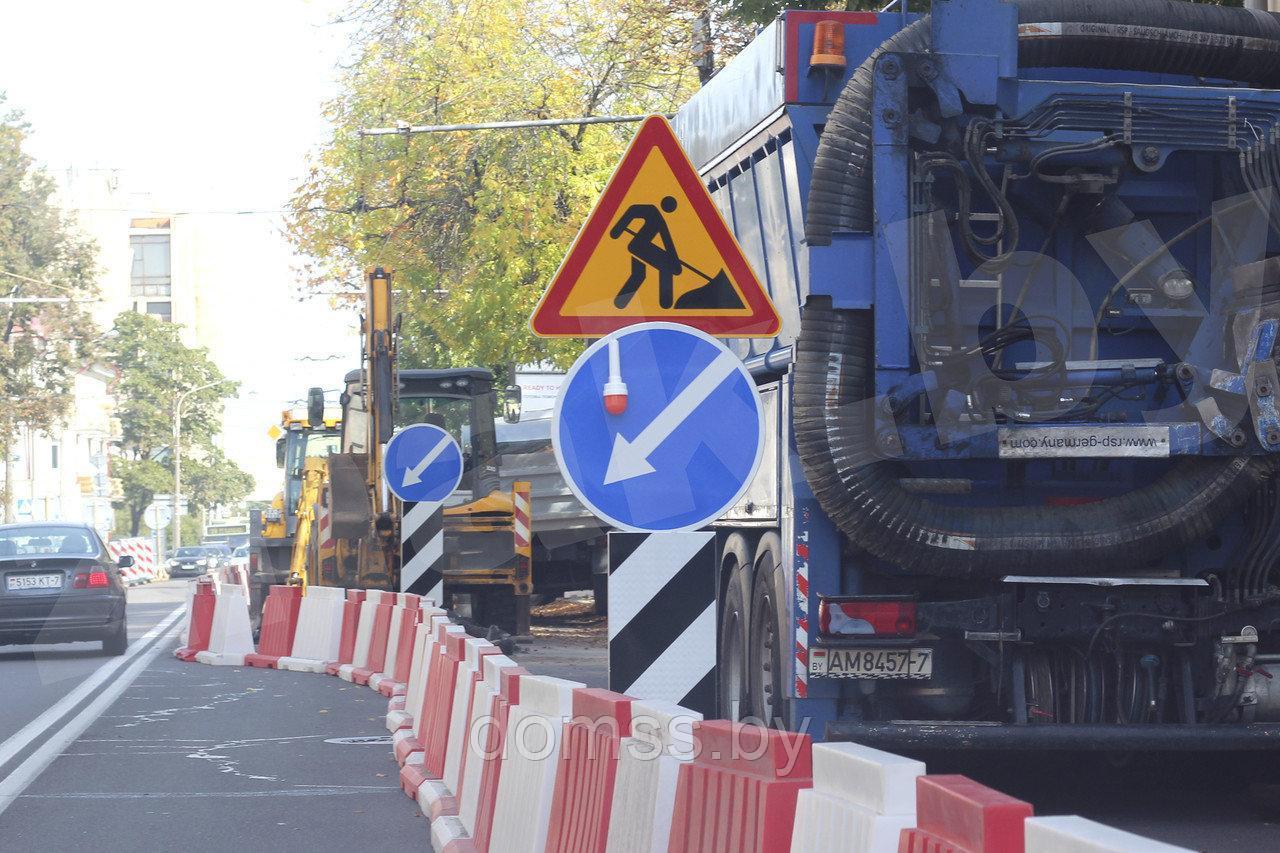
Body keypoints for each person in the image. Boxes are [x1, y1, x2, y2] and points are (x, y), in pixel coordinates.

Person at [610, 196, 683, 309]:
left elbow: (666, 237)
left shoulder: (655, 214)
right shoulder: (652, 211)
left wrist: (674, 261)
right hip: (637, 246)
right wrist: (617, 230)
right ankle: (665, 303)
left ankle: (665, 302)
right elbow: (632, 211)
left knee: (659, 267)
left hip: (638, 246)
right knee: (651, 270)